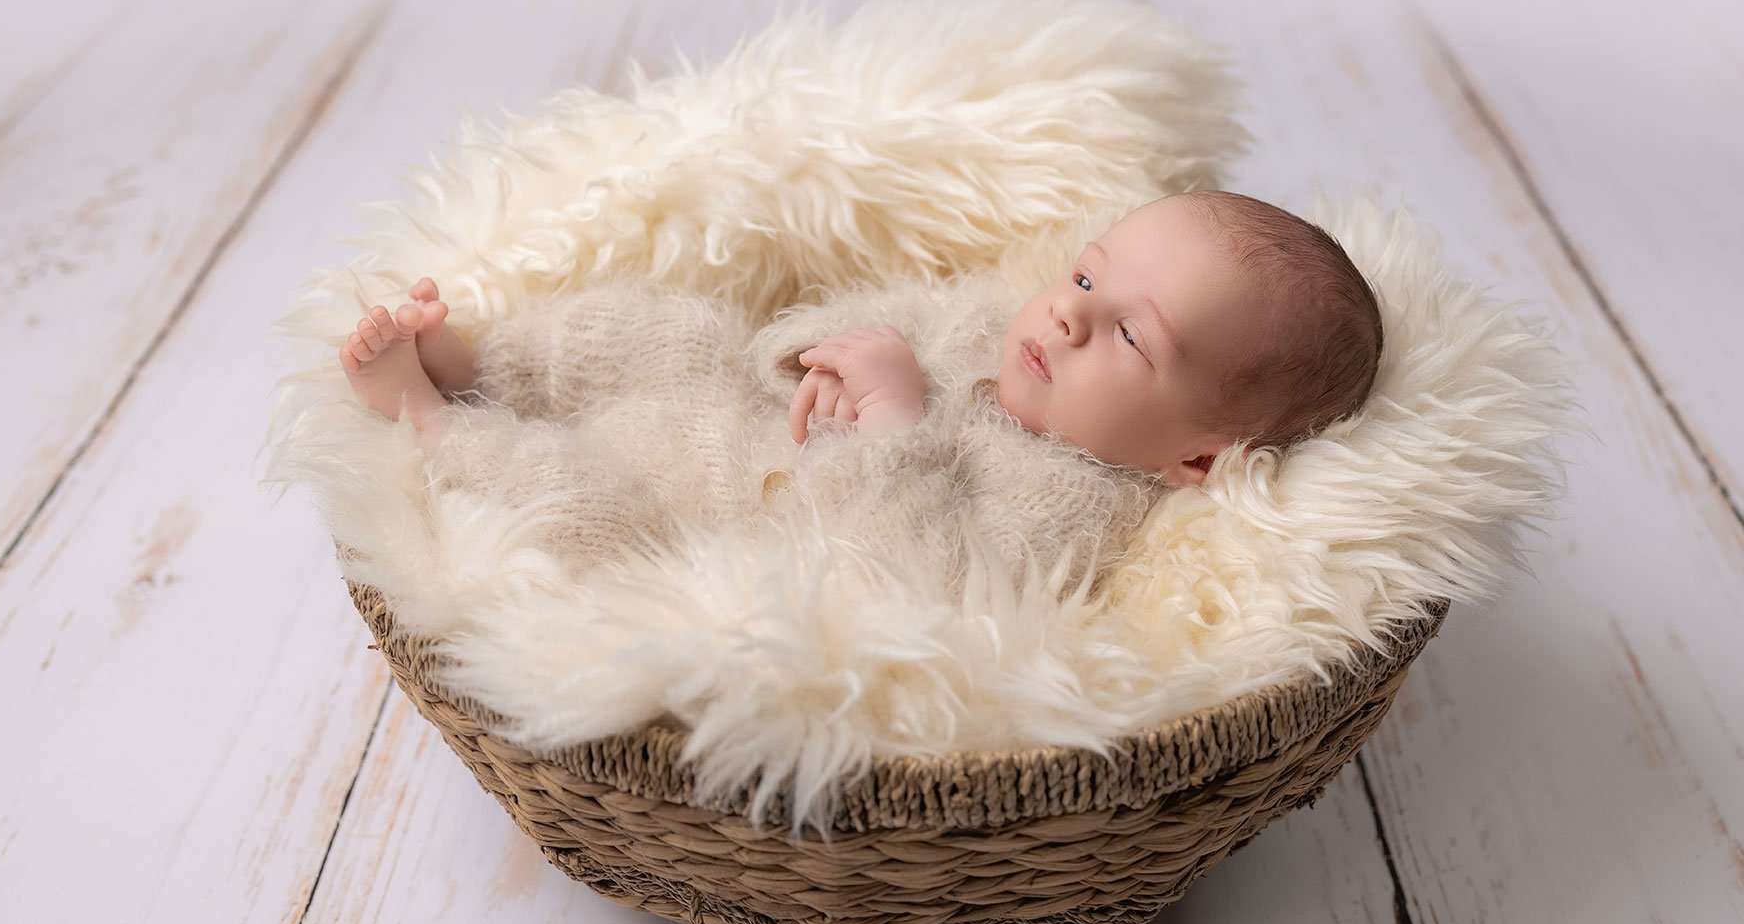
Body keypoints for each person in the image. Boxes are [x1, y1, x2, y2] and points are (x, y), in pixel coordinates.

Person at [336, 190, 1383, 594]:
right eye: (1083, 279)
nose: (1068, 317)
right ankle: (483, 368)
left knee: (582, 517)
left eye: (1129, 334)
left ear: (1195, 458)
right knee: (680, 333)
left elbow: (916, 584)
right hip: (739, 421)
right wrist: (820, 358)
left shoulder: (1078, 506)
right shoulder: (991, 327)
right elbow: (863, 325)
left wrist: (892, 422)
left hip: (713, 529)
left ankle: (428, 419)